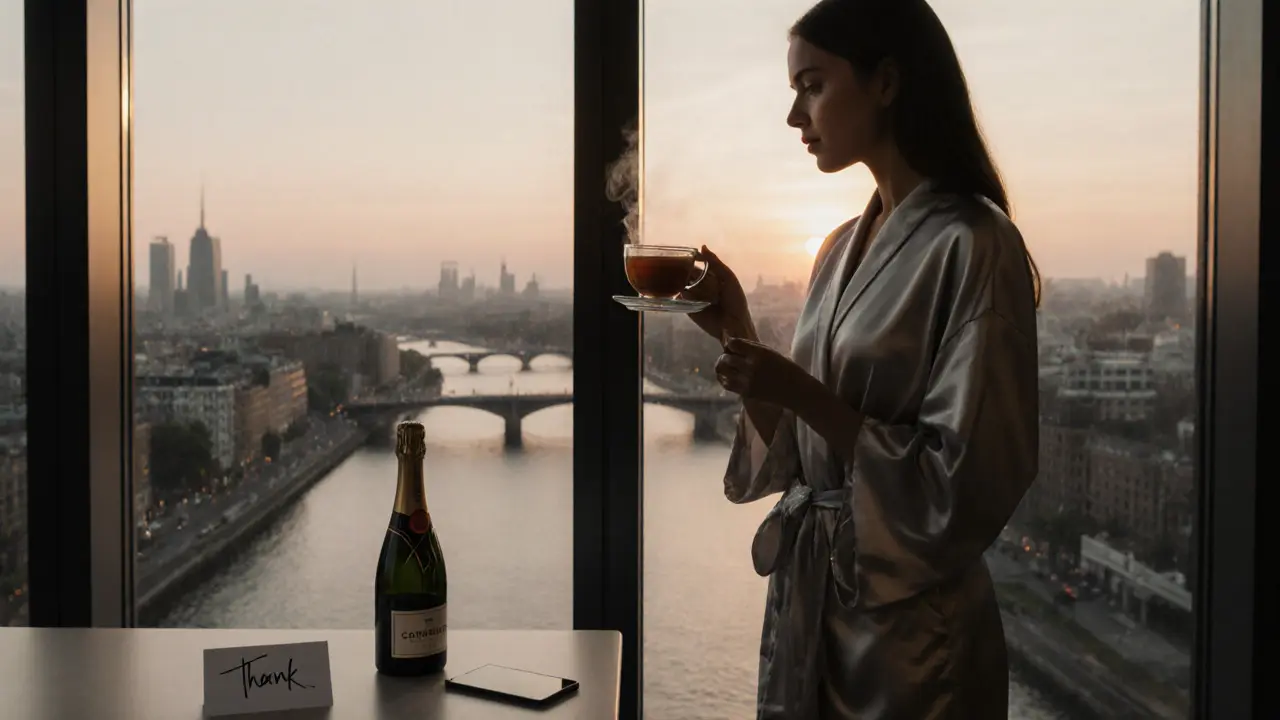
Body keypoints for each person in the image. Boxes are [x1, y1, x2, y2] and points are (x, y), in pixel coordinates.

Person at [680, 0, 1041, 717]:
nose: (794, 115)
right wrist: (734, 331)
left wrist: (807, 395)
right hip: (824, 610)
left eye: (812, 85)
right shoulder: (838, 245)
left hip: (911, 640)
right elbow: (802, 458)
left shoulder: (975, 244)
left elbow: (964, 485)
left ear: (886, 82)